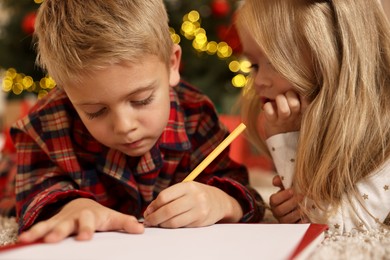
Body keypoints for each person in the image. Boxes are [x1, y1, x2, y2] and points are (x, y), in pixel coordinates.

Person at [9, 0, 265, 243]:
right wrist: (71, 207)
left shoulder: (196, 116)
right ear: (66, 91)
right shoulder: (43, 126)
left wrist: (220, 201)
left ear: (172, 65)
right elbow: (35, 196)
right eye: (96, 111)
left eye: (141, 100)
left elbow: (243, 192)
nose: (124, 126)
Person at [236, 0, 390, 233]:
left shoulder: (382, 127)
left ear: (330, 55)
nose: (259, 81)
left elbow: (339, 224)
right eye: (254, 66)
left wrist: (284, 137)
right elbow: (311, 212)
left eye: (276, 62)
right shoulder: (311, 121)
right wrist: (294, 206)